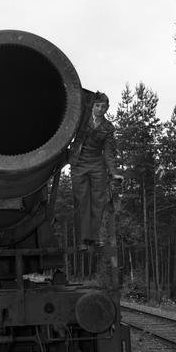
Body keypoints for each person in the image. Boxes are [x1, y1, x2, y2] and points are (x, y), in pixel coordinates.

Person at [69, 92, 124, 249]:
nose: (100, 109)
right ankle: (83, 240)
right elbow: (68, 135)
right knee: (82, 201)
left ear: (107, 109)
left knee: (98, 201)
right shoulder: (80, 120)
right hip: (79, 163)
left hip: (97, 165)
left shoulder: (108, 128)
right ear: (92, 106)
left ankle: (94, 238)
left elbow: (108, 152)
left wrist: (113, 172)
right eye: (97, 106)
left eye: (103, 107)